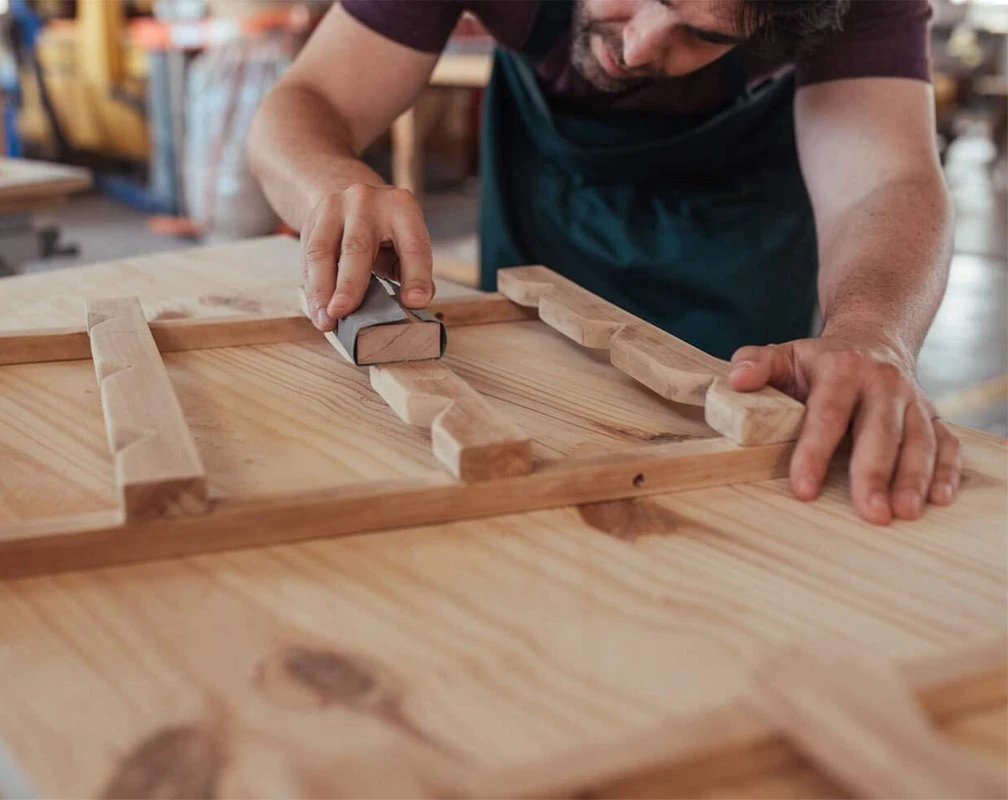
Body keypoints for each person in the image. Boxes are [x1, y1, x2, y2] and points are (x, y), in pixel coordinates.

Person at [246, 0, 961, 525]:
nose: (640, 46)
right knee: (520, 442)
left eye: (705, 34)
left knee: (744, 481)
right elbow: (308, 99)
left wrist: (873, 332)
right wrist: (331, 183)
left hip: (741, 214)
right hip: (546, 185)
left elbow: (886, 181)